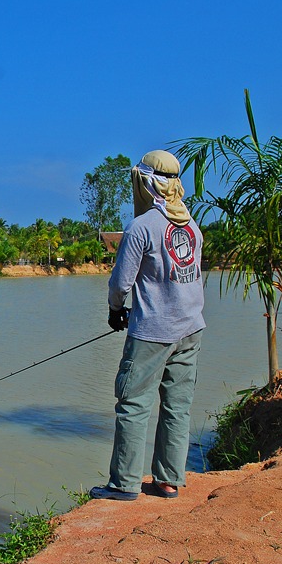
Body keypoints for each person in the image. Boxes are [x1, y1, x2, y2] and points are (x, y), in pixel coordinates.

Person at [90, 149, 205, 501]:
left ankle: (124, 484)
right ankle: (168, 481)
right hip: (191, 329)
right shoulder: (192, 226)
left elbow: (120, 284)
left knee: (132, 404)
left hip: (153, 333)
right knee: (177, 406)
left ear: (144, 183)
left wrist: (115, 311)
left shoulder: (141, 227)